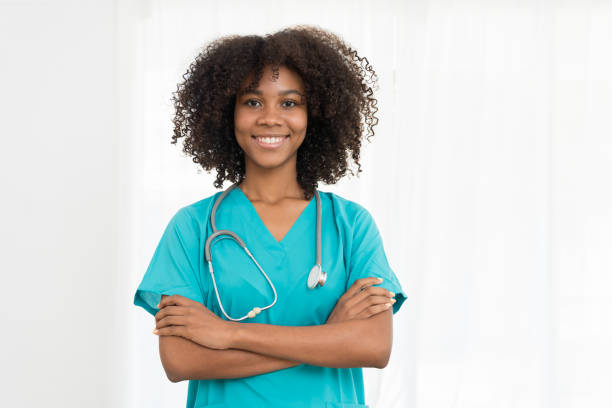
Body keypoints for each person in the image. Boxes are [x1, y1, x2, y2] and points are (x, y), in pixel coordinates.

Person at [133, 25, 406, 408]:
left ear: (316, 114)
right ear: (228, 112)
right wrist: (329, 337)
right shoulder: (192, 228)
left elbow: (373, 347)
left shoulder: (351, 225)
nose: (270, 118)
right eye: (253, 102)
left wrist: (228, 334)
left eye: (290, 103)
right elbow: (181, 360)